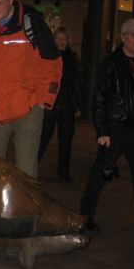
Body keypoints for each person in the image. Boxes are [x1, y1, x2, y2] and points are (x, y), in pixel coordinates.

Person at [80, 18, 134, 244]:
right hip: (115, 130)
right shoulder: (111, 64)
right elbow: (98, 99)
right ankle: (84, 217)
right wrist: (102, 131)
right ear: (124, 37)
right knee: (99, 174)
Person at [0, 0, 62, 178]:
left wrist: (43, 101)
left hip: (27, 110)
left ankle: (25, 210)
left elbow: (53, 64)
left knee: (26, 173)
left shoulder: (32, 23)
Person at [37, 27, 83, 181]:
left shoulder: (72, 58)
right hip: (51, 103)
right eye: (58, 38)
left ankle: (63, 172)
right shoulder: (48, 56)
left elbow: (76, 83)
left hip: (68, 105)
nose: (61, 42)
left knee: (66, 141)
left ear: (68, 41)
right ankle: (31, 166)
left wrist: (77, 105)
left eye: (64, 39)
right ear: (54, 39)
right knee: (43, 137)